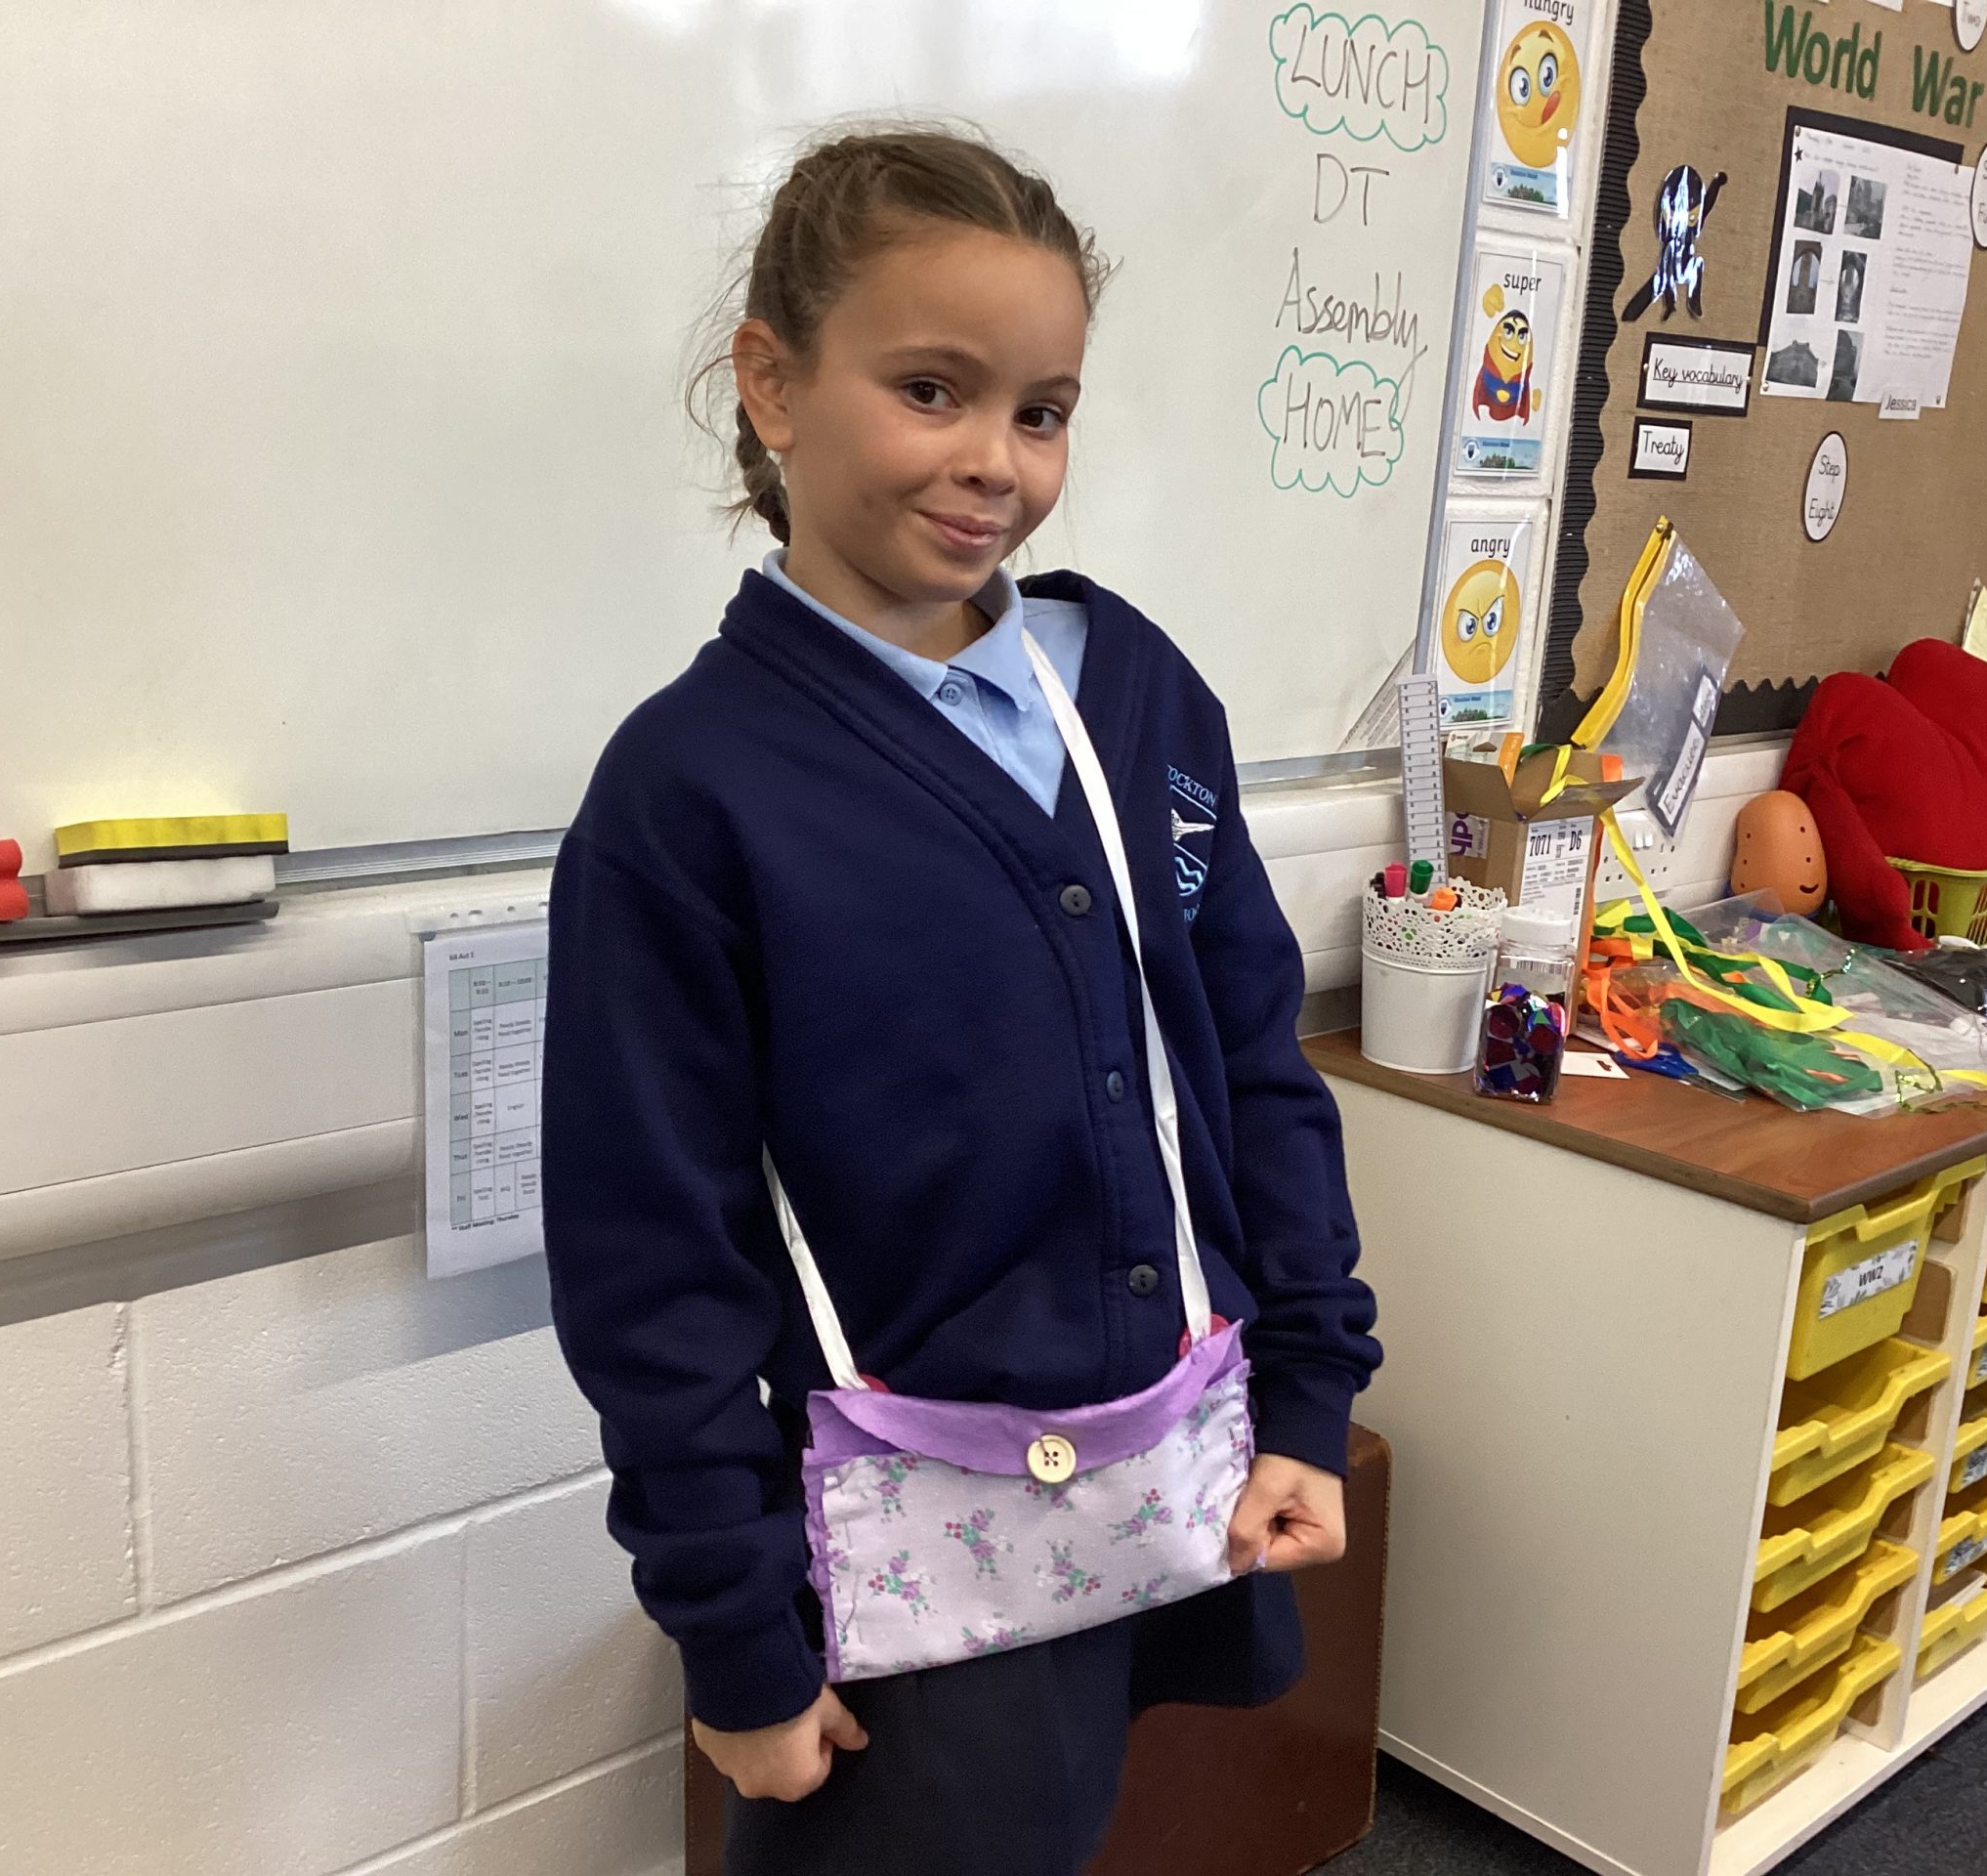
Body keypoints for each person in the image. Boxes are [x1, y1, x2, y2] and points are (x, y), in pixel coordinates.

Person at [542, 126, 1380, 1876]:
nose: (995, 460)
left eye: (1042, 411)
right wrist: (735, 1636)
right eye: (932, 390)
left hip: (1176, 1468)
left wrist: (1307, 1391)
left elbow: (1246, 1068)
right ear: (773, 384)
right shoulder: (689, 792)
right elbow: (651, 1258)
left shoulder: (1136, 695)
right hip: (908, 1545)